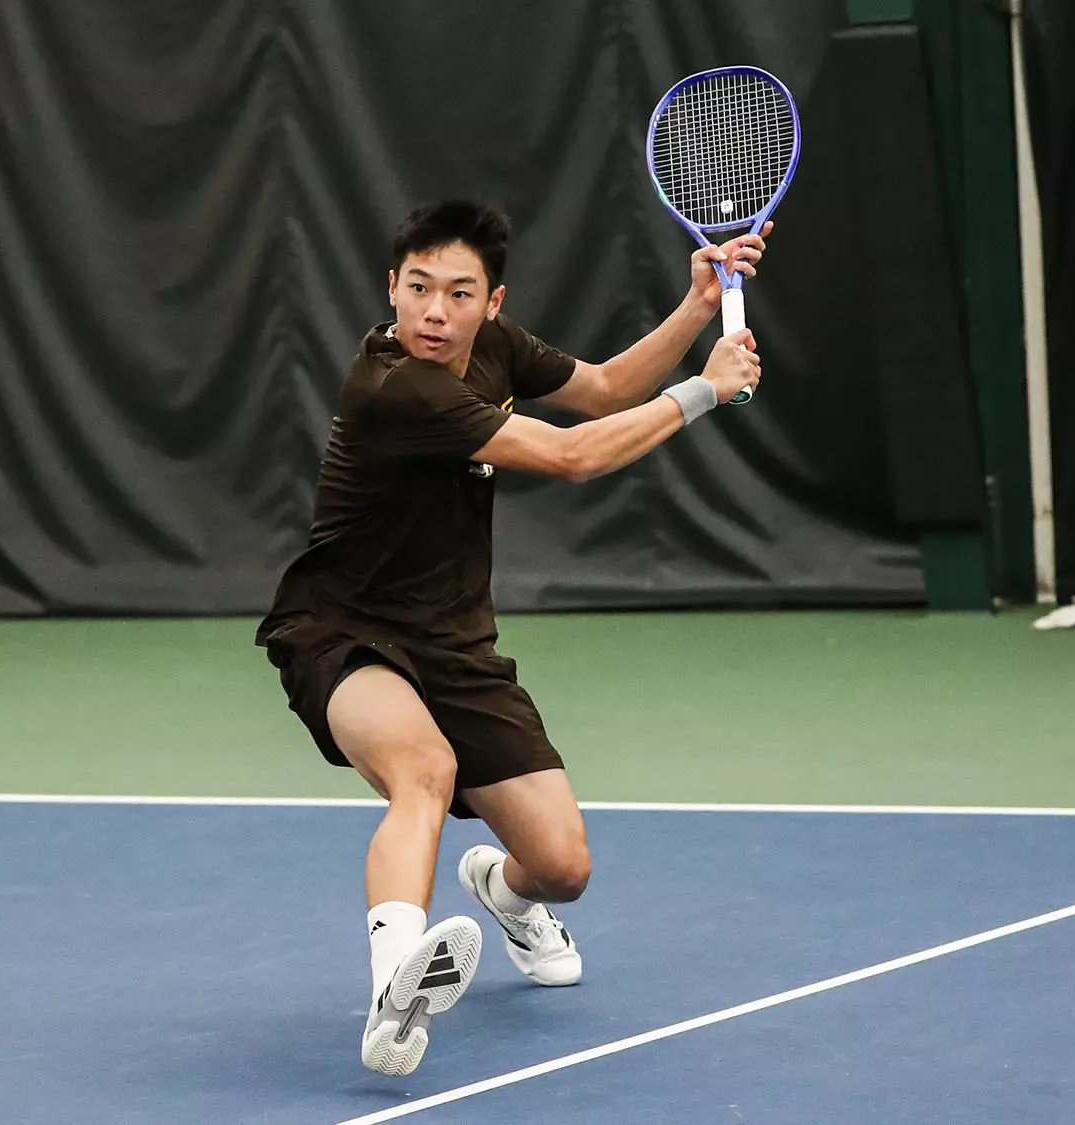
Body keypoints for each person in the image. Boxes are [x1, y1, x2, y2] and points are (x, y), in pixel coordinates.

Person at [254, 200, 771, 1076]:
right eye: (417, 288)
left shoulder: (495, 348)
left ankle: (500, 889)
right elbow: (576, 457)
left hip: (455, 642)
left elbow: (604, 390)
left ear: (492, 304)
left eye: (458, 293)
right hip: (341, 630)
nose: (433, 311)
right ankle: (393, 996)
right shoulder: (395, 387)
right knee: (424, 769)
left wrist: (693, 306)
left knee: (563, 866)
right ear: (392, 288)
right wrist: (706, 389)